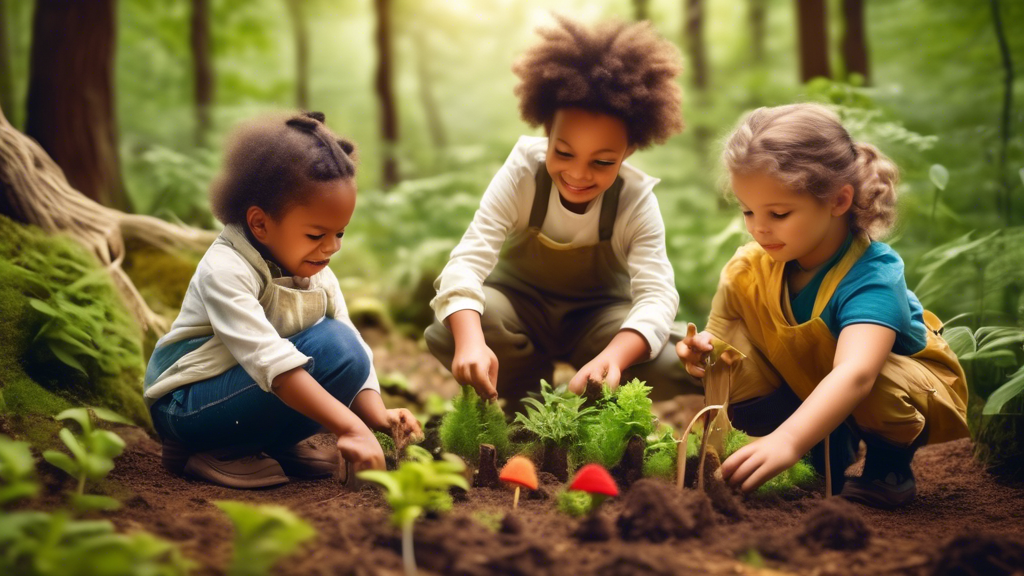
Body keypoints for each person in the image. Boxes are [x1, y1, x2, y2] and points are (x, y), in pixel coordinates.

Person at [678, 103, 969, 508]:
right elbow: (724, 351)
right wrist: (703, 354)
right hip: (809, 377)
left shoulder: (872, 275)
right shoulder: (749, 269)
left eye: (778, 213)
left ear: (838, 201)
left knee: (875, 379)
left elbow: (856, 374)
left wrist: (788, 439)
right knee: (733, 366)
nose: (758, 228)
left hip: (898, 391)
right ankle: (825, 450)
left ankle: (889, 467)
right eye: (747, 210)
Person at [425, 15, 700, 411]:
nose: (577, 174)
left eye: (603, 162)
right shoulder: (522, 172)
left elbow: (657, 295)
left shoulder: (635, 199)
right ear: (546, 133)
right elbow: (468, 260)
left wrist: (615, 357)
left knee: (673, 363)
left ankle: (592, 406)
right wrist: (470, 342)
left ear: (629, 152)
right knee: (457, 324)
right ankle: (526, 400)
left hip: (596, 324)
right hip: (518, 314)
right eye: (564, 152)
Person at [144, 111, 420, 488]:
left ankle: (271, 444)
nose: (332, 247)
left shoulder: (316, 270)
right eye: (315, 234)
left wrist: (376, 415)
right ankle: (212, 450)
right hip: (186, 406)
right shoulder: (225, 268)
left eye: (340, 232)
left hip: (245, 392)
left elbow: (354, 349)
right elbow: (270, 360)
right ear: (260, 223)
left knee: (346, 350)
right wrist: (350, 428)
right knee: (333, 346)